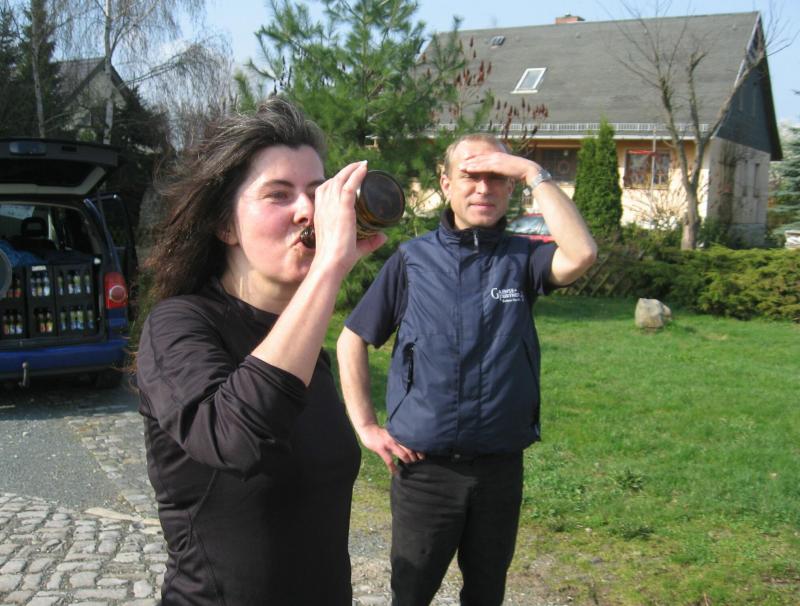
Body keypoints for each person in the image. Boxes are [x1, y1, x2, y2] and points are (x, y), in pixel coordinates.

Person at [135, 98, 385, 605]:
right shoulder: (178, 325)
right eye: (279, 194)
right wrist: (328, 269)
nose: (307, 211)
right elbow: (234, 439)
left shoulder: (302, 344)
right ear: (225, 226)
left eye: (316, 193)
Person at [337, 133, 598, 606]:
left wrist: (531, 171)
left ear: (511, 186)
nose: (483, 188)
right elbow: (352, 338)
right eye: (470, 176)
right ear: (445, 183)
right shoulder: (412, 260)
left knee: (486, 594)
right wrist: (367, 426)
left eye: (497, 177)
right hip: (425, 472)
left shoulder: (523, 258)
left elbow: (581, 254)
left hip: (499, 470)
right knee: (411, 594)